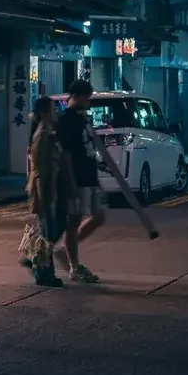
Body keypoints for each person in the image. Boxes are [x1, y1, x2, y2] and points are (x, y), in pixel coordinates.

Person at [53, 79, 104, 284]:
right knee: (73, 222)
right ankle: (74, 265)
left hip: (90, 177)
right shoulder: (66, 120)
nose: (89, 102)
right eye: (87, 98)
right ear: (76, 96)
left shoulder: (83, 119)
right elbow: (65, 154)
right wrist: (71, 183)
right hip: (78, 179)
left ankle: (64, 250)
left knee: (98, 216)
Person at [22, 95, 76, 288]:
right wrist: (45, 197)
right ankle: (43, 271)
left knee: (52, 228)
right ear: (44, 113)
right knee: (49, 230)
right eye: (53, 109)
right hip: (47, 189)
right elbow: (41, 171)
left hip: (53, 188)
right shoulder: (43, 135)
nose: (57, 112)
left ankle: (34, 259)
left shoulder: (49, 132)